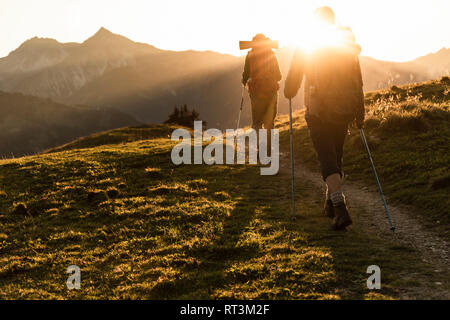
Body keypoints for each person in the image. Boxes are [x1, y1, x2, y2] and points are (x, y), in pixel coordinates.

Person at [284, 7, 365, 230]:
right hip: (344, 110)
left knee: (327, 160)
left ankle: (340, 208)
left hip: (319, 111)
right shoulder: (346, 43)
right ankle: (330, 204)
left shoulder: (308, 42)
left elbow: (292, 81)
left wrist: (289, 90)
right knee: (336, 157)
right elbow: (357, 80)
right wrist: (360, 113)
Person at [242, 34, 282, 152]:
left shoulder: (250, 55)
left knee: (257, 123)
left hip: (256, 94)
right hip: (271, 93)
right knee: (269, 124)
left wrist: (245, 81)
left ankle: (260, 150)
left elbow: (245, 76)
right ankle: (269, 151)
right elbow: (279, 76)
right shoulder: (272, 55)